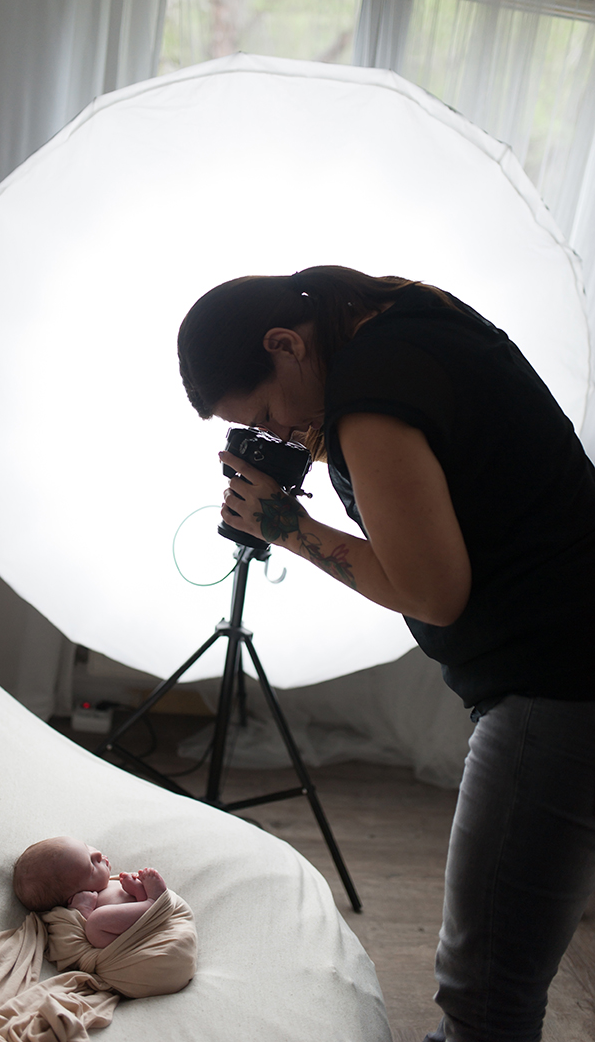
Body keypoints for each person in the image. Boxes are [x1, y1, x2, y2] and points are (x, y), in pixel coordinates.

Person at [177, 266, 595, 1042]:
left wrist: (285, 527)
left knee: (487, 998)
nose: (277, 433)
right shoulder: (400, 317)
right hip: (563, 659)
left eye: (267, 411)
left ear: (285, 344)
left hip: (558, 678)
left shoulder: (370, 395)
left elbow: (433, 592)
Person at [13, 837, 168, 948]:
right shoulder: (72, 915)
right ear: (74, 897)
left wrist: (138, 890)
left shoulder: (112, 882)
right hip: (140, 951)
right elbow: (75, 944)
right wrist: (83, 913)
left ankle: (149, 904)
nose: (98, 854)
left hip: (161, 934)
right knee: (95, 924)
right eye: (92, 867)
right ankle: (152, 902)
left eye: (87, 847)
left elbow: (134, 925)